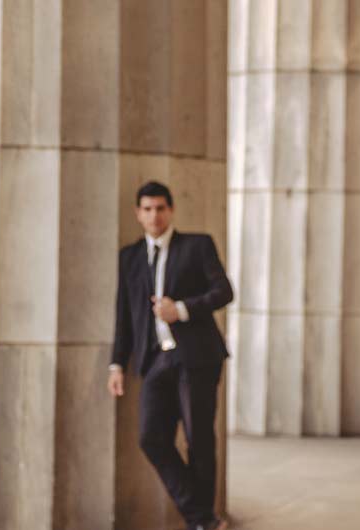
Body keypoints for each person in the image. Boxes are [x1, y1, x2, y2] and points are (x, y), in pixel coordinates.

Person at [108, 181, 233, 530]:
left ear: (171, 210)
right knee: (151, 437)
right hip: (155, 361)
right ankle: (201, 514)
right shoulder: (129, 257)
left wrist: (182, 309)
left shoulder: (197, 246)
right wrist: (117, 363)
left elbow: (224, 291)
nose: (154, 215)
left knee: (198, 438)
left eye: (160, 208)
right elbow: (125, 315)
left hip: (196, 357)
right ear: (137, 213)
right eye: (147, 209)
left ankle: (202, 522)